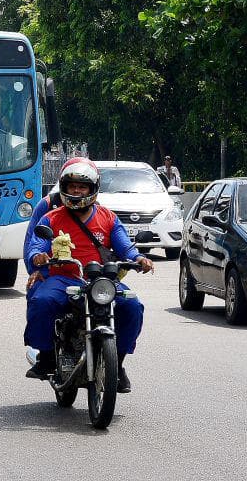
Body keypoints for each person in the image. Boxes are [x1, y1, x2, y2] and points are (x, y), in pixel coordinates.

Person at [23, 159, 154, 393]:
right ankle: (46, 357)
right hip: (64, 277)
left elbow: (125, 247)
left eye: (82, 187)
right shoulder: (51, 218)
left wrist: (139, 259)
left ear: (92, 189)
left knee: (132, 306)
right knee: (42, 301)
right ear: (64, 187)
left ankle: (119, 363)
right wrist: (38, 257)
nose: (76, 191)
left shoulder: (108, 218)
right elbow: (37, 244)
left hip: (101, 280)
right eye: (72, 186)